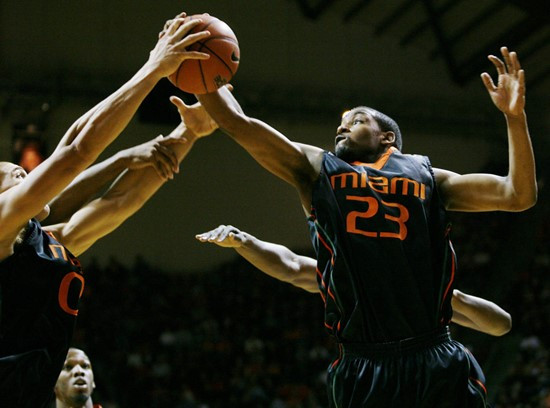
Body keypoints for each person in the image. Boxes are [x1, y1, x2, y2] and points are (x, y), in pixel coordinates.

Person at [196, 46, 536, 407]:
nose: (342, 126)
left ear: (386, 137)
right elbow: (239, 124)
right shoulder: (317, 169)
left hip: (432, 354)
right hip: (363, 362)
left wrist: (515, 118)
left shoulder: (431, 178)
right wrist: (195, 68)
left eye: (356, 120)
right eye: (341, 123)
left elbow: (517, 195)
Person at [0, 13, 216, 407]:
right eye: (16, 175)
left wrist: (189, 133)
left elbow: (119, 203)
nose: (27, 176)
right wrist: (154, 67)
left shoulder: (47, 244)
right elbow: (75, 150)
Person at [196, 224, 512, 336]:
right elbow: (291, 266)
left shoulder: (421, 295)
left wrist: (447, 296)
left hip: (425, 378)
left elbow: (501, 324)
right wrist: (244, 242)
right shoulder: (352, 277)